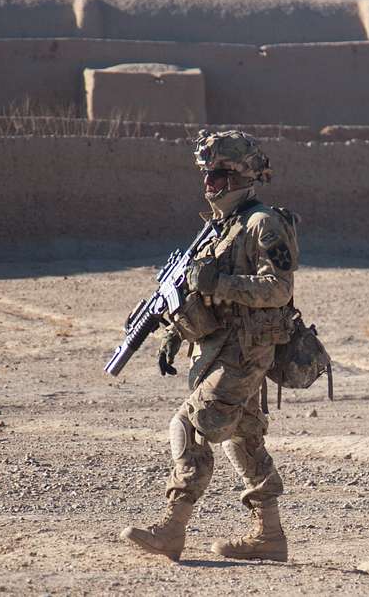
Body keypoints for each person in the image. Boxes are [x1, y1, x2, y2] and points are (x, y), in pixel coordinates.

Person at [120, 129, 299, 562]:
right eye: (207, 174)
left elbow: (278, 288)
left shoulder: (262, 224)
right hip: (222, 348)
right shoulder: (221, 228)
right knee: (244, 438)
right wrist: (174, 331)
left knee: (190, 424)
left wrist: (219, 281)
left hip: (248, 350)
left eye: (219, 174)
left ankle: (172, 529)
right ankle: (270, 537)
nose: (209, 183)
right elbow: (202, 295)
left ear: (241, 176)